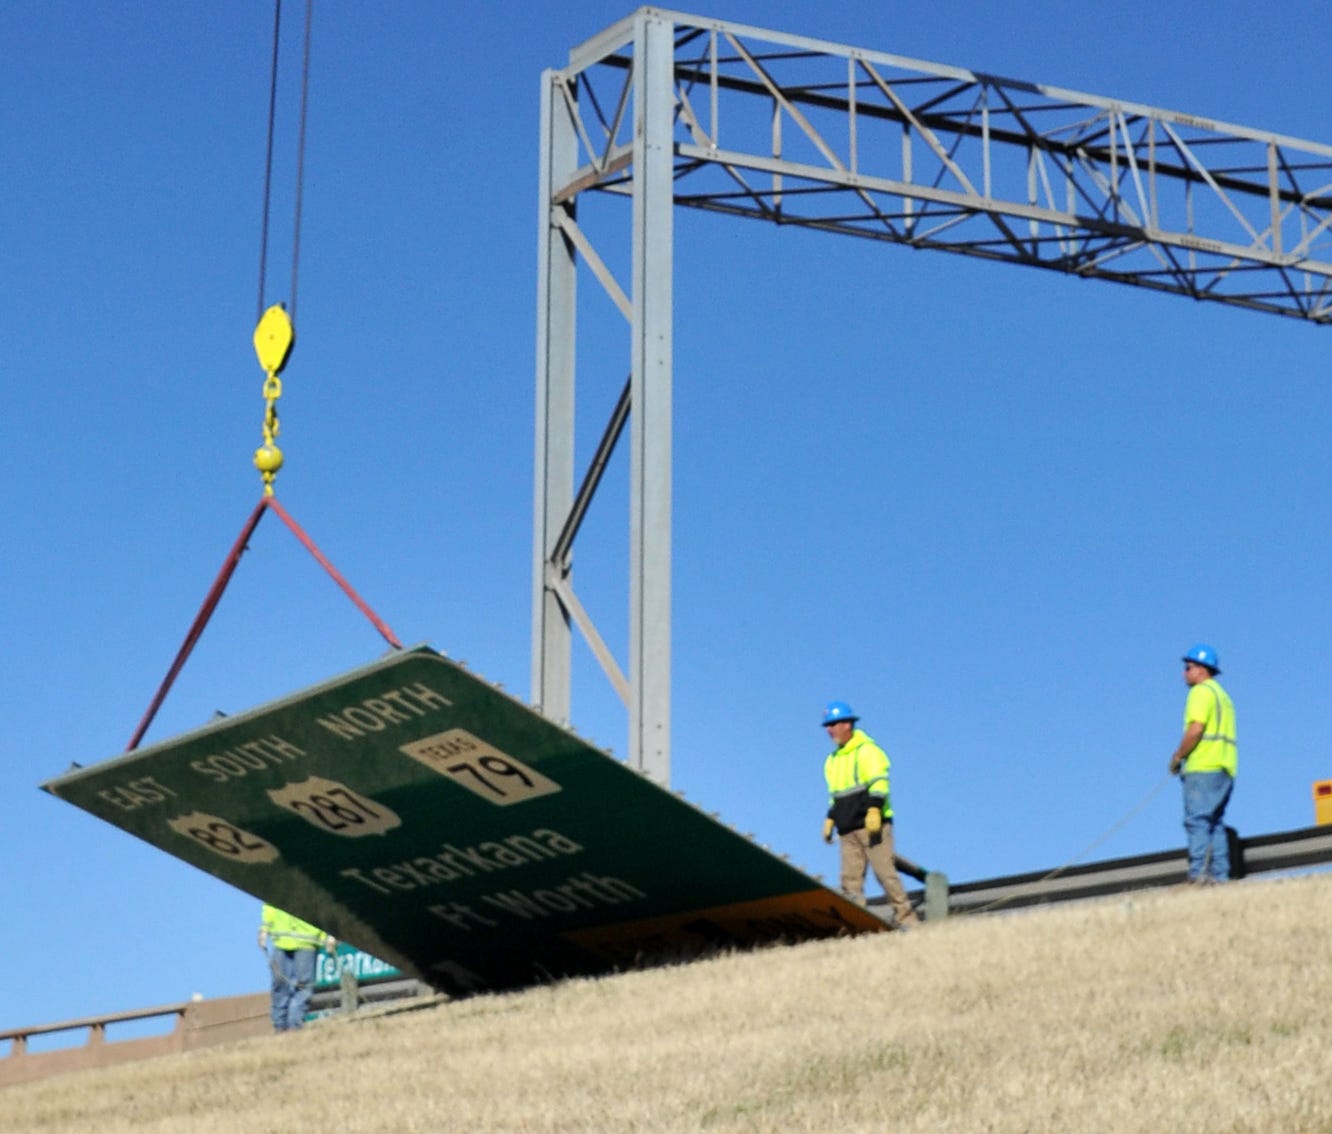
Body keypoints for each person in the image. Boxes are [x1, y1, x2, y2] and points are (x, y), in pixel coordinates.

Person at [820, 700, 920, 928]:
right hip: (847, 829)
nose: (829, 729)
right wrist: (830, 819)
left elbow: (879, 783)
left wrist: (875, 809)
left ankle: (908, 920)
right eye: (827, 725)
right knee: (849, 882)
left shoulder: (868, 751)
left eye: (833, 724)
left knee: (885, 874)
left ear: (847, 724)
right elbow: (835, 795)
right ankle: (855, 926)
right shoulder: (831, 761)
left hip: (872, 826)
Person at [1169, 644, 1237, 883]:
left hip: (1203, 767)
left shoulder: (1200, 693)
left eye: (1188, 667)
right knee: (1215, 823)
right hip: (1225, 768)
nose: (1184, 673)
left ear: (1201, 669)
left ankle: (1197, 875)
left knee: (1197, 821)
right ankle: (1221, 876)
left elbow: (1195, 728)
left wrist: (1178, 757)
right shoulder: (1223, 696)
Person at [258, 903, 335, 1031]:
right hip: (281, 939)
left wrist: (328, 935)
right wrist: (264, 929)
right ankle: (280, 1028)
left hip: (307, 940)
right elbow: (270, 904)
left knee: (303, 986)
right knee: (279, 984)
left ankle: (294, 1026)